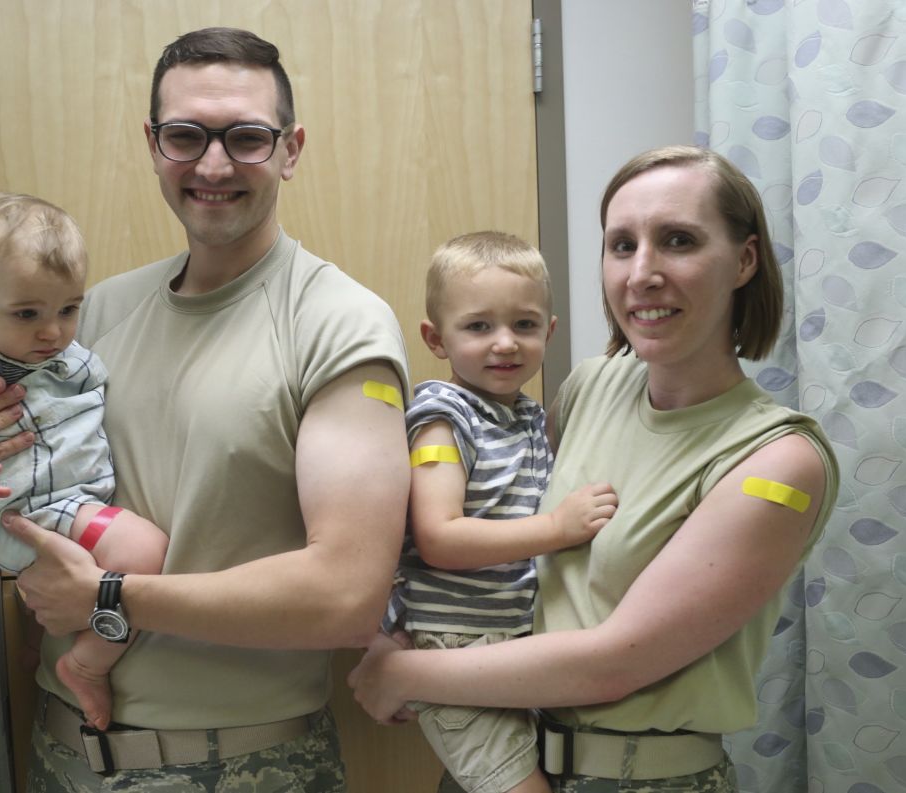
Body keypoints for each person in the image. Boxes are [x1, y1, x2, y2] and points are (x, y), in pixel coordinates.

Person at [0, 28, 410, 792]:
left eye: (248, 138)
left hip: (244, 764)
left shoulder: (338, 323)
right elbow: (28, 489)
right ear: (154, 143)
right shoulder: (80, 317)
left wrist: (107, 596)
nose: (214, 163)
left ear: (291, 150)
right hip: (61, 749)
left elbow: (347, 598)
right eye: (187, 135)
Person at [349, 145, 840, 793]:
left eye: (678, 240)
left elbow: (614, 663)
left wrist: (403, 673)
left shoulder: (778, 462)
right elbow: (492, 542)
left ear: (745, 260)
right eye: (621, 244)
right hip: (511, 752)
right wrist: (399, 631)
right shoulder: (590, 387)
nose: (642, 272)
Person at [0, 193, 169, 732]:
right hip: (29, 513)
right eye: (27, 313)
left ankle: (36, 639)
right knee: (145, 549)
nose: (52, 331)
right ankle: (87, 664)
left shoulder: (59, 351)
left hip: (72, 500)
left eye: (68, 309)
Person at [383, 231, 618, 793]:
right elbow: (438, 537)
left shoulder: (528, 416)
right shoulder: (444, 417)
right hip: (455, 644)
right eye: (479, 326)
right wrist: (557, 529)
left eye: (526, 325)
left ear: (550, 332)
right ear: (435, 339)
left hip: (512, 645)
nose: (506, 343)